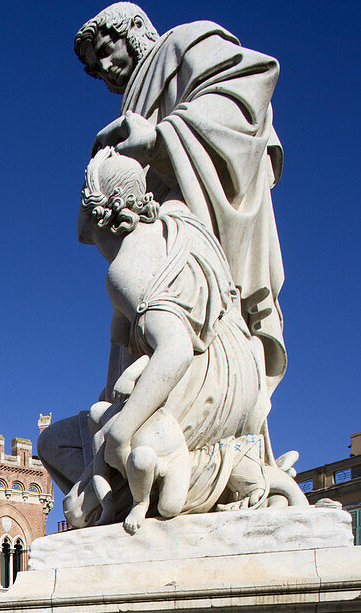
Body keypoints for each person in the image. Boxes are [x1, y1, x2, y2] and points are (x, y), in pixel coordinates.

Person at [58, 148, 304, 530]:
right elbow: (201, 175)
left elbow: (174, 349)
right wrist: (153, 141)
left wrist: (121, 433)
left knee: (85, 455)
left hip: (194, 391)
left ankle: (170, 489)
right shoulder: (179, 218)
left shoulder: (125, 270)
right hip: (239, 378)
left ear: (96, 208)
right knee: (60, 444)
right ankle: (228, 474)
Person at [74, 3, 286, 388]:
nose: (103, 69)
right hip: (153, 238)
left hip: (194, 229)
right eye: (94, 68)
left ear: (135, 28)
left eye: (106, 51)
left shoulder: (185, 42)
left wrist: (158, 139)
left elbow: (248, 89)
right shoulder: (133, 96)